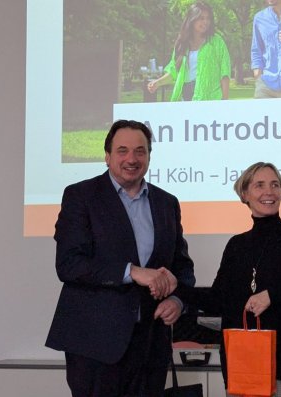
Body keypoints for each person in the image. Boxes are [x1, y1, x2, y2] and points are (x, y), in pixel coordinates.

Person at [45, 119, 196, 396]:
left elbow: (182, 267)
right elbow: (69, 264)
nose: (132, 159)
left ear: (149, 156)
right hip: (95, 344)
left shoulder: (166, 203)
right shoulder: (81, 196)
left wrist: (178, 300)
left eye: (140, 151)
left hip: (151, 345)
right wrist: (131, 271)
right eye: (122, 150)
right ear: (107, 156)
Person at [182, 162, 281, 397]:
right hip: (242, 371)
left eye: (274, 185)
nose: (269, 192)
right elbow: (218, 301)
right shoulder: (236, 246)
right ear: (245, 194)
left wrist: (273, 296)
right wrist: (175, 287)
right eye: (259, 185)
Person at [147, 1, 231, 101]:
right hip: (185, 97)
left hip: (210, 98)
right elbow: (173, 71)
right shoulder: (182, 43)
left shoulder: (217, 42)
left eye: (208, 18)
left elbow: (225, 72)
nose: (205, 22)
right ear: (192, 19)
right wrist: (157, 83)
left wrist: (225, 100)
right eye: (201, 18)